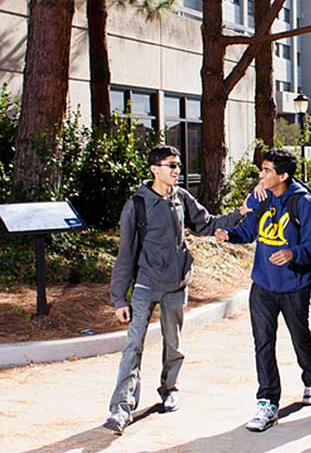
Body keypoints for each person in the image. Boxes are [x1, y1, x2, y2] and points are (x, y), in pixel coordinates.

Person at [104, 144, 246, 435]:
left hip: (176, 287)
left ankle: (169, 390)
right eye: (171, 166)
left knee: (174, 346)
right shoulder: (137, 204)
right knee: (133, 347)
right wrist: (119, 297)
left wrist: (241, 212)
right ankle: (121, 409)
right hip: (145, 285)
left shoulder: (182, 198)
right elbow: (126, 253)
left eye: (178, 166)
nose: (177, 171)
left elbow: (207, 225)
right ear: (155, 169)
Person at [215, 148, 311, 432]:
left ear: (283, 175)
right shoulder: (261, 198)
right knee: (263, 342)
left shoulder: (303, 203)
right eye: (261, 170)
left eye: (266, 171)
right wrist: (230, 235)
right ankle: (267, 401)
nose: (260, 175)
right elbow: (249, 231)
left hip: (294, 286)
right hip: (262, 284)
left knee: (300, 337)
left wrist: (292, 253)